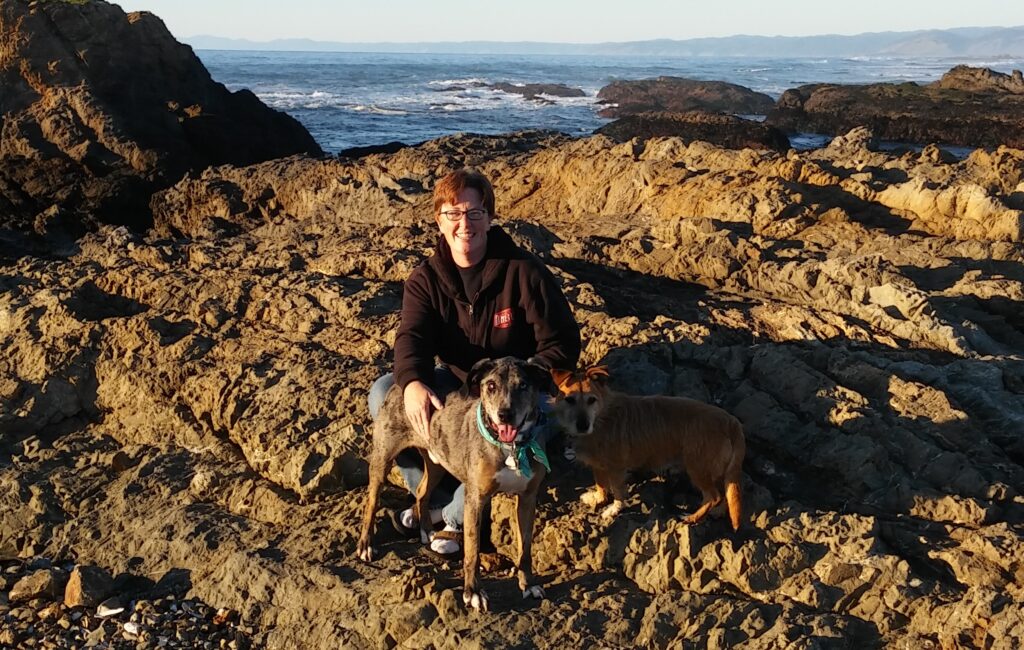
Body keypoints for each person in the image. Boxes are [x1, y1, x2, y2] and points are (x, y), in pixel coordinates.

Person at [367, 167, 581, 555]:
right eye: (454, 213)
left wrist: (530, 380)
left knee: (503, 441)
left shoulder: (524, 272)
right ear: (439, 220)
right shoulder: (426, 280)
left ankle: (453, 517)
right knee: (385, 391)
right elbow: (411, 337)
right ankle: (430, 500)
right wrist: (413, 381)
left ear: (490, 217)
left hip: (522, 393)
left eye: (475, 212)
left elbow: (562, 341)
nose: (465, 223)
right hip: (462, 387)